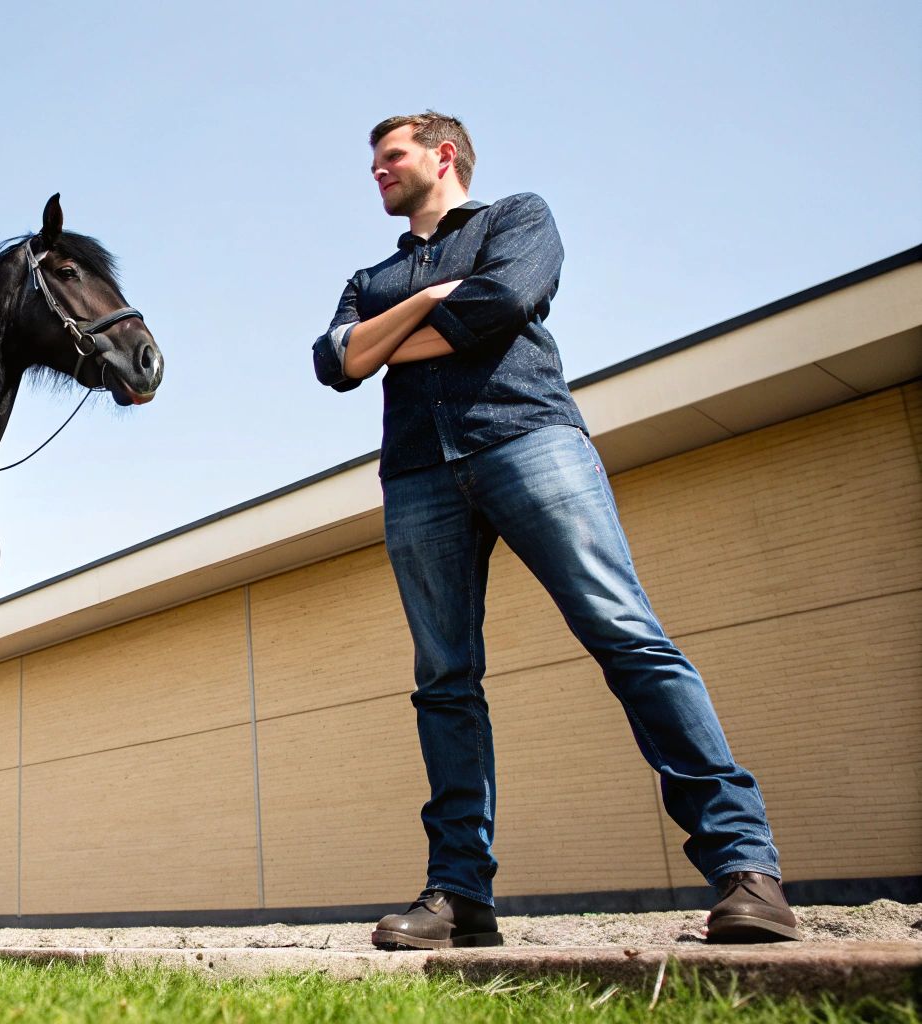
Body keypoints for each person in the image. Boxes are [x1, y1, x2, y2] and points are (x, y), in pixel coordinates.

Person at [312, 111, 799, 948]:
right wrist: (429, 301)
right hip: (420, 472)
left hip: (528, 439)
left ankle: (746, 869)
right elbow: (332, 362)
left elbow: (499, 304)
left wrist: (385, 341)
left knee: (627, 636)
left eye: (390, 156)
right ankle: (460, 897)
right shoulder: (374, 273)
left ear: (444, 153)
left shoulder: (518, 219)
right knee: (444, 681)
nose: (376, 172)